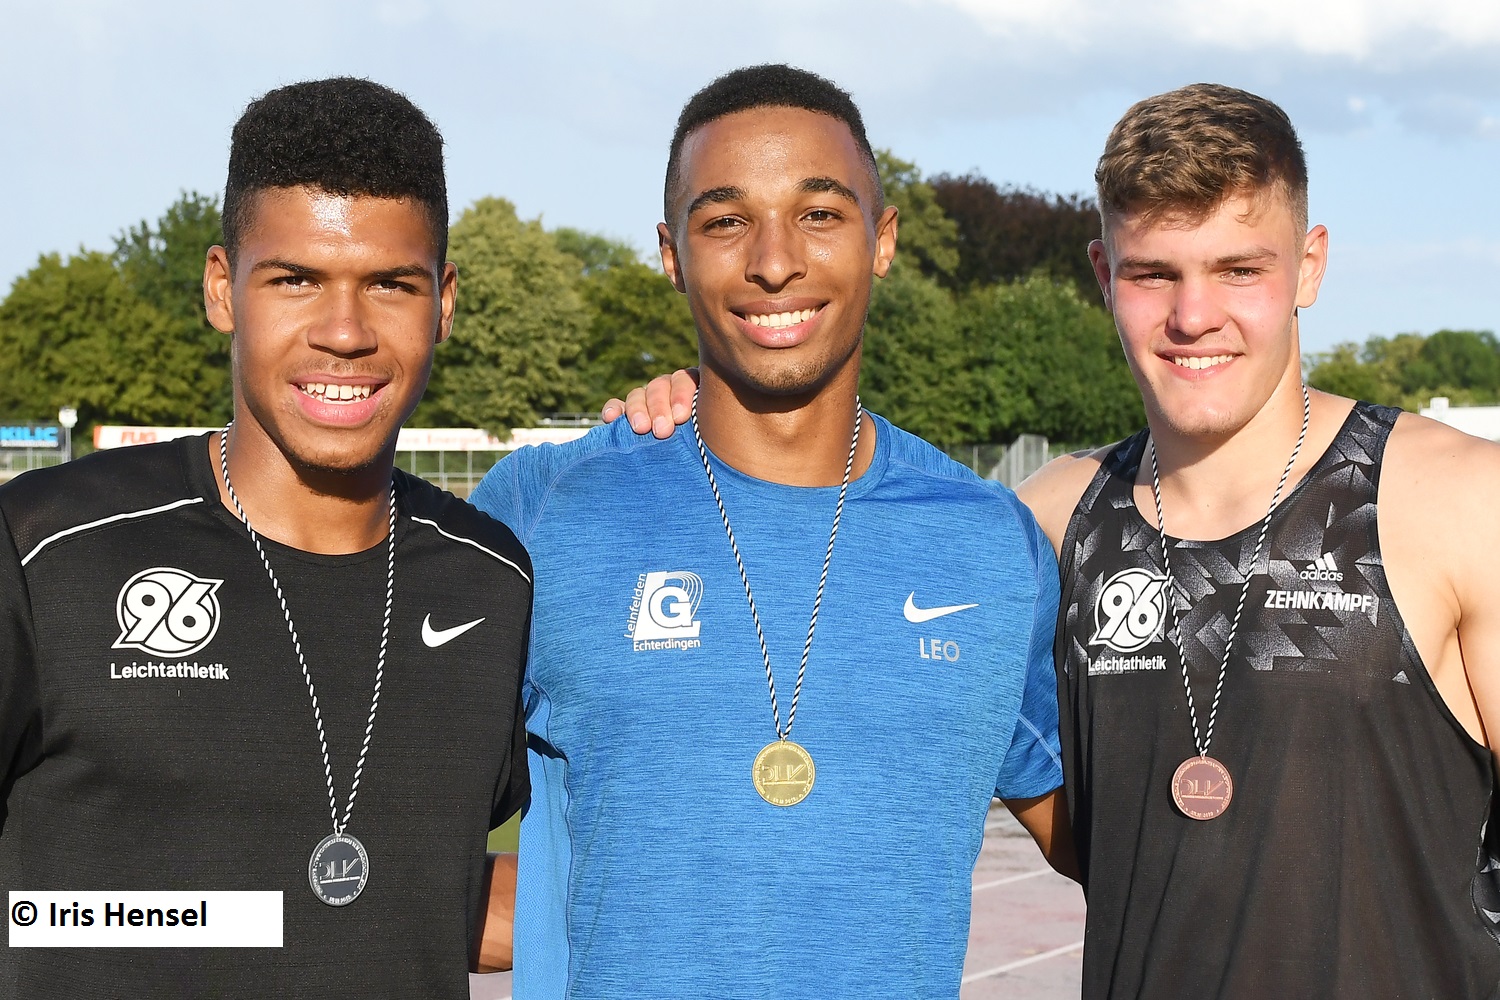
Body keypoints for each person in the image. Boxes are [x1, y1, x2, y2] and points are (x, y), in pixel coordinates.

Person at [618, 83, 1500, 997]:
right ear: (1103, 274)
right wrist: (687, 417)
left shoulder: (1455, 501)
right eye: (1153, 274)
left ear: (1310, 266)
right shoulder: (1040, 526)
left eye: (1240, 269)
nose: (1194, 315)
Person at [470, 64, 1074, 999]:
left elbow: (1105, 842)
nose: (775, 261)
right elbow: (365, 826)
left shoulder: (993, 543)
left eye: (820, 213)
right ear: (672, 254)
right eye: (725, 221)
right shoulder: (544, 507)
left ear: (882, 240)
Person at [0, 77, 531, 997]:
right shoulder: (47, 550)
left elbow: (434, 887)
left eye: (390, 284)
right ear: (222, 288)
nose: (344, 333)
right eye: (295, 280)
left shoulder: (494, 580)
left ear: (443, 302)